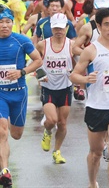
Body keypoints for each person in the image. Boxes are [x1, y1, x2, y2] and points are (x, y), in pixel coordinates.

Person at [70, 8, 109, 188]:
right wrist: (85, 79)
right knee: (96, 153)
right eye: (106, 24)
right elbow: (73, 75)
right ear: (98, 26)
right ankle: (92, 183)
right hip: (96, 107)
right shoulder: (91, 51)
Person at [0, 6, 43, 187]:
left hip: (18, 93)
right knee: (2, 131)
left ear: (12, 23)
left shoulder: (21, 40)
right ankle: (5, 171)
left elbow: (38, 60)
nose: (4, 25)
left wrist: (22, 72)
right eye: (0, 22)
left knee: (16, 135)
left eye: (7, 22)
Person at [35, 13, 74, 164]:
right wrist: (39, 75)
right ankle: (47, 131)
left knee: (62, 123)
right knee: (52, 120)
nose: (58, 30)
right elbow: (35, 61)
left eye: (61, 27)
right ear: (51, 28)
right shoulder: (42, 45)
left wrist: (75, 73)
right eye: (55, 28)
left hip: (65, 87)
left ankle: (57, 151)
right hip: (48, 87)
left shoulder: (72, 45)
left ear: (66, 27)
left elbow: (82, 61)